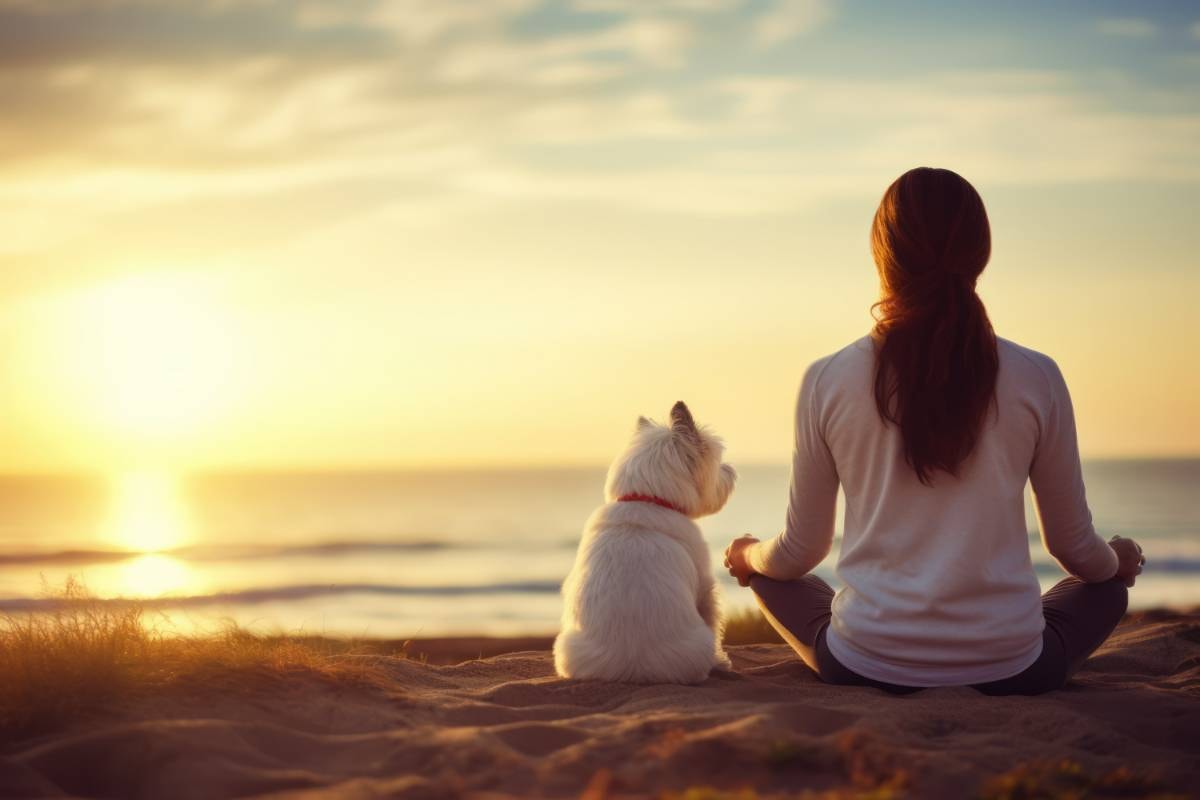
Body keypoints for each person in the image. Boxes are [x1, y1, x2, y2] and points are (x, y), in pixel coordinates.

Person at [723, 167, 1144, 695]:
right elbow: (1074, 549)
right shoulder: (1038, 375)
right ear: (980, 254)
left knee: (771, 577)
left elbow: (798, 555)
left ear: (883, 255)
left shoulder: (826, 379)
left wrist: (745, 555)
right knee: (1106, 591)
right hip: (1013, 669)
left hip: (862, 662)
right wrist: (1119, 560)